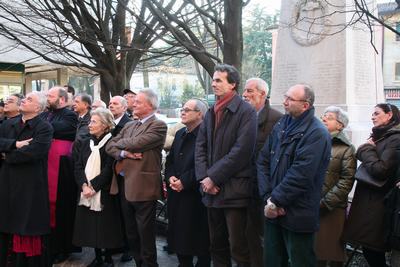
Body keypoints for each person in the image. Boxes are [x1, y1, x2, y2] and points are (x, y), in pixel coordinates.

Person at [257, 84, 331, 267]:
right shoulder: (282, 124)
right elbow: (263, 160)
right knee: (272, 260)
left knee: (300, 261)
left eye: (290, 99)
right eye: (285, 97)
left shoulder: (317, 133)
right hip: (273, 210)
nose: (284, 102)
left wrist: (276, 201)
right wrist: (269, 199)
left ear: (305, 105)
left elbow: (301, 174)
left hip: (298, 213)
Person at [195, 64, 257, 267]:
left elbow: (242, 152)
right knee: (216, 245)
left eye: (219, 80)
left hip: (234, 191)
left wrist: (213, 177)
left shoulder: (246, 111)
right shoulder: (212, 110)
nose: (213, 84)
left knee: (238, 247)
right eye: (213, 80)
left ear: (233, 84)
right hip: (210, 190)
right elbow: (200, 147)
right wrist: (205, 178)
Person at [106, 89, 167, 267]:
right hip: (124, 184)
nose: (133, 104)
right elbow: (110, 146)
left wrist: (119, 144)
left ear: (150, 105)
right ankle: (139, 262)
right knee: (131, 232)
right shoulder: (130, 125)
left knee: (145, 233)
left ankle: (149, 264)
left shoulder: (159, 125)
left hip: (144, 187)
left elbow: (138, 142)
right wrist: (124, 152)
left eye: (138, 102)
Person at [342, 103, 400, 267]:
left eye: (376, 113)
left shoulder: (395, 138)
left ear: (389, 115)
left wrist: (365, 149)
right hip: (370, 203)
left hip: (378, 204)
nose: (372, 117)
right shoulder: (382, 136)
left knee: (374, 252)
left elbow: (381, 170)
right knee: (370, 250)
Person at [0, 91, 53, 267]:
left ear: (38, 107)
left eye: (29, 99)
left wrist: (7, 156)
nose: (24, 100)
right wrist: (14, 145)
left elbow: (34, 152)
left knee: (27, 225)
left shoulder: (44, 127)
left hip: (30, 184)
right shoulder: (8, 124)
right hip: (7, 181)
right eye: (24, 98)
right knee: (6, 223)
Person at [72, 108, 123, 267]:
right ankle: (97, 257)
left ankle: (108, 258)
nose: (89, 124)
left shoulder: (112, 141)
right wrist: (84, 186)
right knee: (90, 227)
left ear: (105, 124)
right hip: (85, 191)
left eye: (94, 121)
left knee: (105, 227)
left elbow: (109, 168)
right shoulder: (85, 141)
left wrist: (93, 186)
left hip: (105, 191)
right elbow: (78, 165)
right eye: (89, 121)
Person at [242, 78, 283, 267]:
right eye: (244, 91)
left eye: (250, 91)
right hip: (243, 187)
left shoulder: (277, 119)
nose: (245, 95)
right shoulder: (241, 116)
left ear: (262, 94)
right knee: (247, 235)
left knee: (268, 238)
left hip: (265, 189)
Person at [165, 99, 210, 267]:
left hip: (196, 195)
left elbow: (206, 164)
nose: (182, 112)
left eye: (187, 110)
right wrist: (170, 177)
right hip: (176, 193)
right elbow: (170, 161)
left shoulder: (207, 135)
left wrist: (185, 181)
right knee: (178, 237)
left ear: (200, 114)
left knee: (199, 240)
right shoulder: (180, 133)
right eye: (182, 109)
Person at [40, 86, 78, 263]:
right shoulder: (46, 114)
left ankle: (62, 248)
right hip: (47, 166)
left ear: (61, 100)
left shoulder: (69, 114)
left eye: (50, 96)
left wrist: (41, 126)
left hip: (61, 169)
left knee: (61, 208)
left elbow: (62, 129)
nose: (47, 98)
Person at [315, 106, 356, 267]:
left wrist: (326, 202)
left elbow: (347, 180)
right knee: (315, 253)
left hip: (331, 208)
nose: (324, 118)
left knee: (331, 253)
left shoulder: (346, 149)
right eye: (323, 116)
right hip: (312, 204)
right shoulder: (316, 141)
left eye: (329, 117)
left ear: (340, 125)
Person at [108, 95, 133, 262]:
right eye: (110, 103)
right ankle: (117, 243)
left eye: (115, 103)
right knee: (114, 210)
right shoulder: (108, 122)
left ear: (124, 108)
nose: (111, 106)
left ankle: (129, 247)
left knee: (127, 213)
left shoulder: (128, 124)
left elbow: (123, 145)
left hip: (124, 173)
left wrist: (117, 150)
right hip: (109, 171)